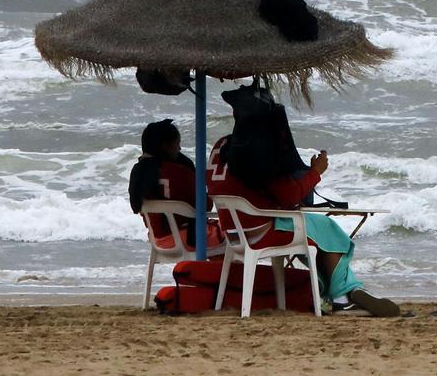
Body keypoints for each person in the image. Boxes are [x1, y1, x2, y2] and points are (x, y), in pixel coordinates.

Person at [207, 84, 399, 318]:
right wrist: (315, 172)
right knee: (328, 229)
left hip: (234, 230)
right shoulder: (256, 150)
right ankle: (342, 295)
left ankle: (344, 291)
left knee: (313, 234)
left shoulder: (222, 145)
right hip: (262, 229)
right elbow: (289, 195)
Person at [127, 119, 212, 251]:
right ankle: (210, 271)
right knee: (230, 236)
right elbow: (205, 206)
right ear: (165, 146)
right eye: (177, 143)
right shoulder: (179, 172)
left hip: (157, 240)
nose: (179, 148)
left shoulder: (139, 173)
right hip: (188, 240)